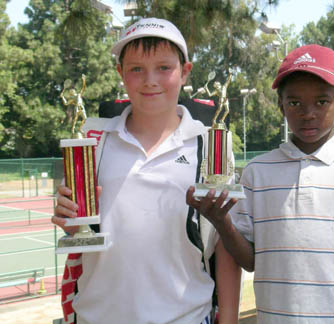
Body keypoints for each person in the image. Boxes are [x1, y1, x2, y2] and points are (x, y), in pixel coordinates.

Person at [187, 44, 334, 323]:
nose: (308, 113)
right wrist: (222, 223)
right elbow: (252, 261)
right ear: (281, 105)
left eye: (321, 101)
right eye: (294, 103)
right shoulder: (258, 172)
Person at [52, 17, 241, 324]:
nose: (150, 79)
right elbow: (79, 225)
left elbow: (224, 246)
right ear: (121, 73)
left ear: (185, 72)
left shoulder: (210, 146)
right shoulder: (93, 141)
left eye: (164, 68)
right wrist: (72, 217)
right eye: (136, 68)